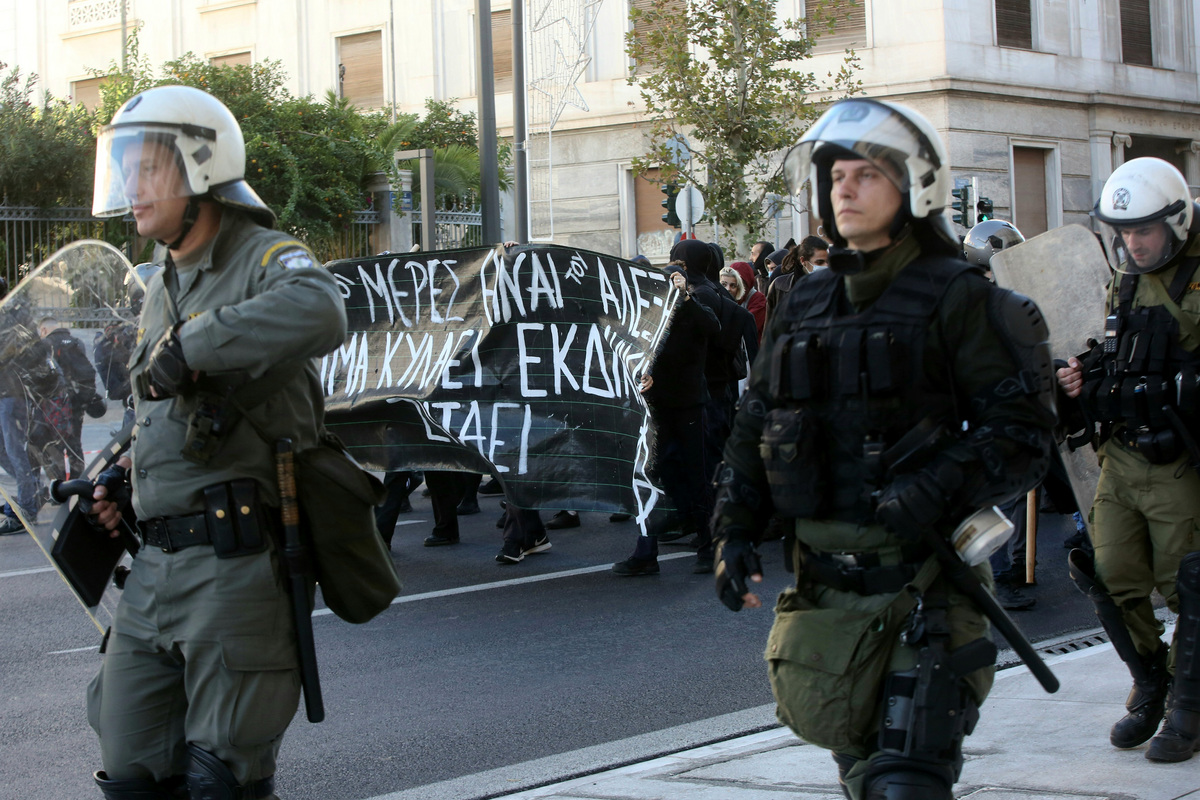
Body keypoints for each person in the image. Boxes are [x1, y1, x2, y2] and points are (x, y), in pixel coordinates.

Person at [711, 98, 1055, 799]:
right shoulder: (803, 301)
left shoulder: (959, 297)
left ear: (914, 187)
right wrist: (733, 529)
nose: (844, 186)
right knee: (860, 776)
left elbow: (1024, 435)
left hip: (924, 593)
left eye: (866, 173)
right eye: (835, 173)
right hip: (825, 598)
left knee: (904, 785)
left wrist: (935, 485)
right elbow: (756, 421)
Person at [84, 85, 348, 799]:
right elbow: (163, 411)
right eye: (125, 169)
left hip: (233, 569)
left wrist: (199, 343)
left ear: (201, 169)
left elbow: (323, 307)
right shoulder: (162, 283)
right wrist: (120, 484)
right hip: (154, 570)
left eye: (147, 170)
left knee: (220, 782)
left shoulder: (263, 256)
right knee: (131, 765)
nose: (130, 188)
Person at [1057, 156, 1200, 762]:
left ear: (1177, 222)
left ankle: (1188, 707)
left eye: (1145, 230)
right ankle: (1152, 685)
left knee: (1187, 583)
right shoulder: (1126, 279)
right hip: (1122, 453)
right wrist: (1084, 374)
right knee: (1107, 573)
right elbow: (1121, 347)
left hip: (1179, 459)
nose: (1134, 243)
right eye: (1125, 233)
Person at [613, 261, 719, 576]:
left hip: (687, 406)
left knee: (696, 476)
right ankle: (646, 551)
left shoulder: (691, 309)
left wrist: (685, 298)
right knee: (649, 478)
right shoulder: (638, 316)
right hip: (652, 409)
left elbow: (712, 329)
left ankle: (709, 546)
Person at [38, 316, 101, 480]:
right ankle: (78, 483)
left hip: (56, 405)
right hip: (77, 403)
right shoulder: (76, 342)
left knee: (54, 447)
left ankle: (58, 487)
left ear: (43, 330)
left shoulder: (45, 345)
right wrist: (83, 400)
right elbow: (86, 372)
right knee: (75, 445)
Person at [766, 235, 829, 318]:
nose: (826, 266)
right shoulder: (779, 286)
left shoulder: (833, 285)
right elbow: (770, 326)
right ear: (803, 261)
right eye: (819, 262)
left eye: (828, 261)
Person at [721, 261, 767, 340]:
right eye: (724, 285)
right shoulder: (726, 298)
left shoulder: (758, 299)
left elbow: (747, 326)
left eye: (733, 285)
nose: (728, 289)